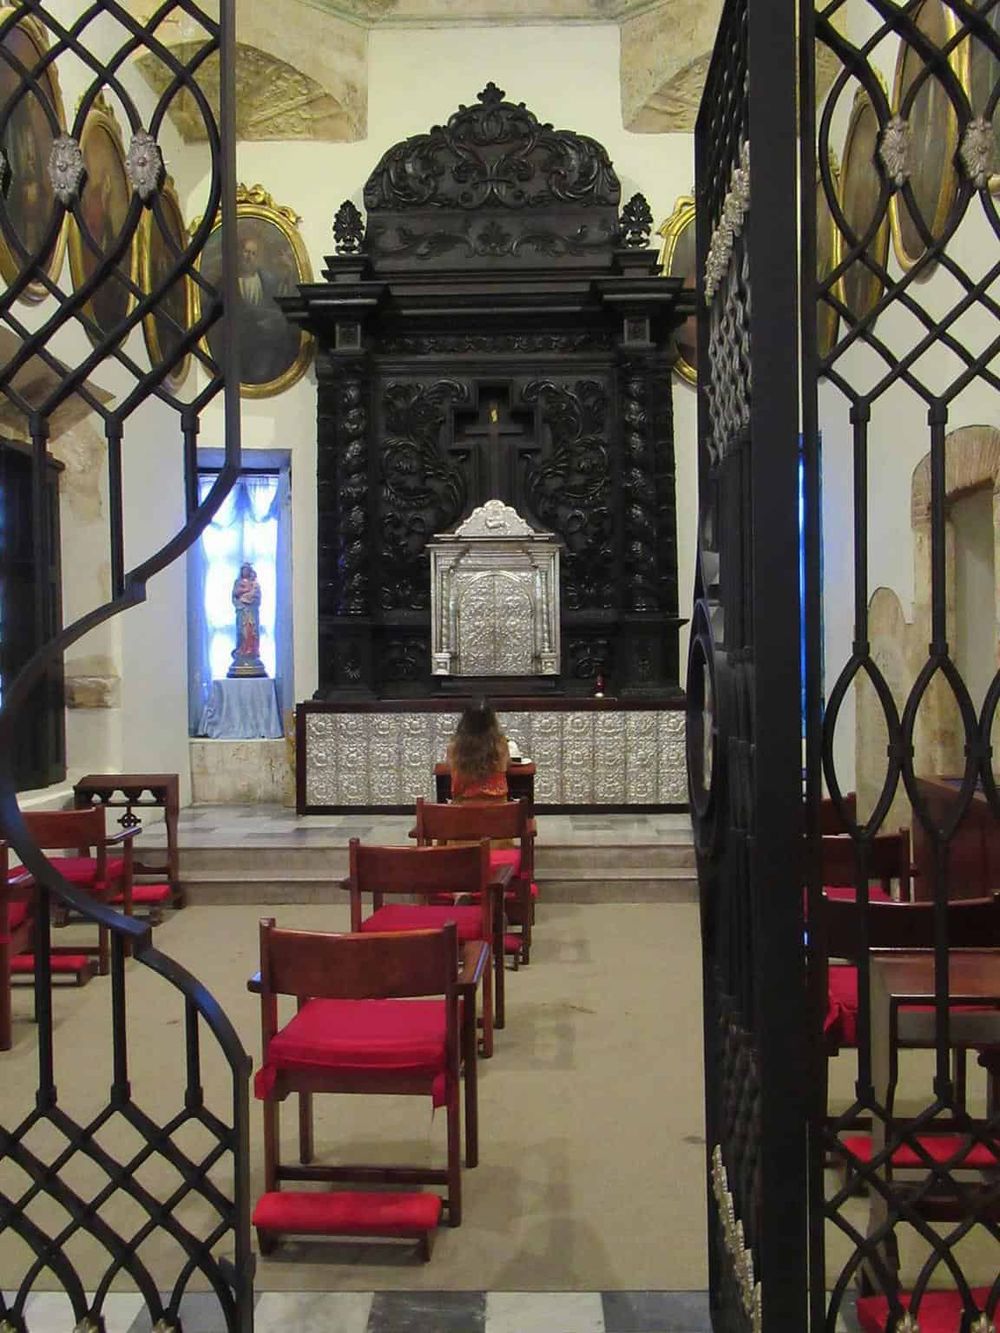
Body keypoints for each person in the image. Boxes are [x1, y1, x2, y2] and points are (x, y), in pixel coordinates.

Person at [447, 700, 510, 803]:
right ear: (491, 721)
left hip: (463, 812)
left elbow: (451, 769)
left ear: (465, 721)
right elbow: (505, 766)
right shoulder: (500, 744)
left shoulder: (454, 746)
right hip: (498, 812)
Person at [227, 563, 265, 677]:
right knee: (242, 632)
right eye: (244, 570)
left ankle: (251, 652)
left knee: (251, 633)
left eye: (247, 570)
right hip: (242, 611)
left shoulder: (254, 584)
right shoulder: (238, 582)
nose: (245, 572)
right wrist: (243, 596)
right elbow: (235, 594)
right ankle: (242, 651)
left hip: (251, 612)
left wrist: (249, 596)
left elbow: (257, 597)